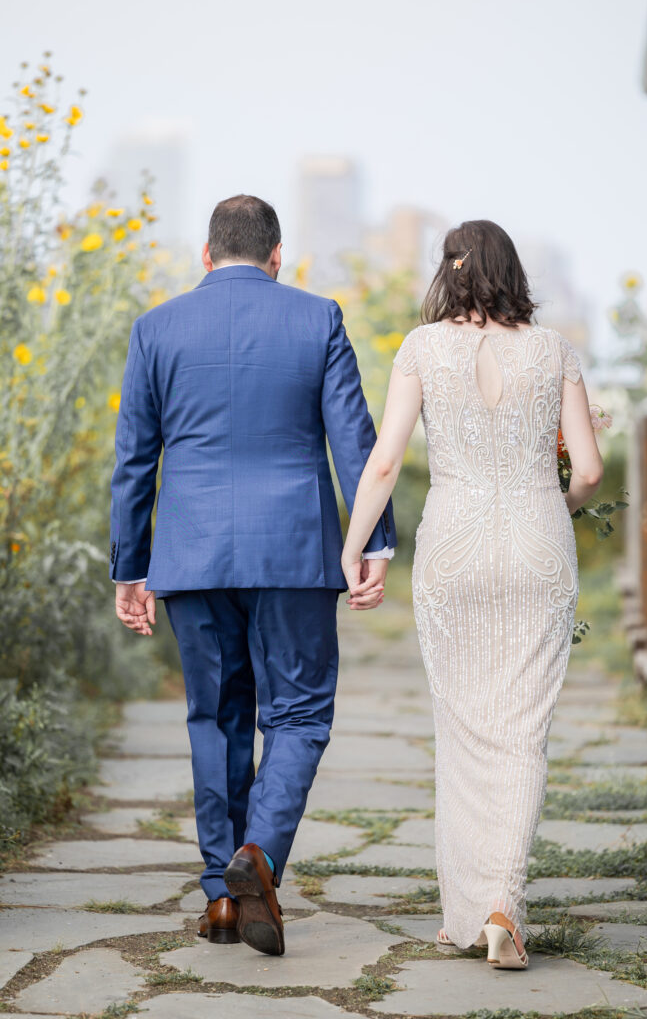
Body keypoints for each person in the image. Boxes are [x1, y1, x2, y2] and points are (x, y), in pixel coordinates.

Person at [109, 195, 396, 956]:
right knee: (297, 715)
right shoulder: (317, 318)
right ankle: (259, 856)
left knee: (216, 717)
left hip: (190, 555)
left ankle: (221, 902)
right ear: (278, 257)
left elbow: (134, 462)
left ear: (205, 256)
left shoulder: (156, 328)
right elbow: (355, 441)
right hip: (295, 553)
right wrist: (376, 542)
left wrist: (128, 568)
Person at [341, 219, 603, 970]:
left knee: (462, 729)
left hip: (453, 548)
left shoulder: (422, 348)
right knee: (521, 730)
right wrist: (555, 506)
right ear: (510, 270)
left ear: (449, 272)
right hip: (535, 543)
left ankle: (464, 914)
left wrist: (354, 545)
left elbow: (385, 461)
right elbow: (585, 469)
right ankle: (499, 909)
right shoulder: (553, 350)